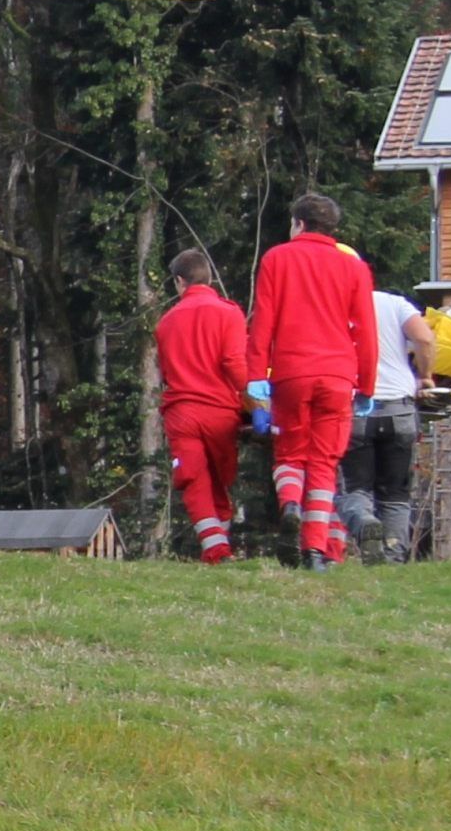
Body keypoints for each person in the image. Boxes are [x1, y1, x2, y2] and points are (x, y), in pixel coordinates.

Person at [245, 192, 378, 570]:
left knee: (290, 454)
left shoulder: (277, 259)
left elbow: (263, 323)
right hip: (338, 376)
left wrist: (257, 376)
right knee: (323, 464)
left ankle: (289, 503)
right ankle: (315, 551)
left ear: (298, 223)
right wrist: (365, 384)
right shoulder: (353, 268)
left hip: (291, 373)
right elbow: (365, 331)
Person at [152, 246, 251, 563]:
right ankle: (218, 547)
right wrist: (255, 402)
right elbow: (235, 363)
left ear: (180, 282)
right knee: (220, 480)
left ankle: (215, 547)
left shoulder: (166, 323)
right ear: (207, 278)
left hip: (182, 411)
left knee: (194, 478)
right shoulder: (229, 312)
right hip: (221, 411)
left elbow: (166, 371)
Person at [340, 279, 436, 562]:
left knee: (353, 489)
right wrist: (426, 375)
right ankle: (393, 557)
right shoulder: (396, 304)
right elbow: (425, 338)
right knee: (395, 492)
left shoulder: (338, 304)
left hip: (356, 408)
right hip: (400, 409)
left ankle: (364, 523)